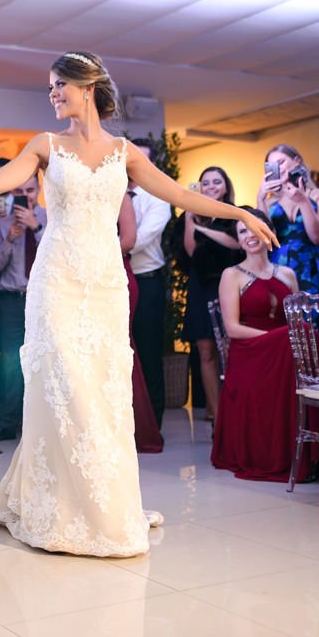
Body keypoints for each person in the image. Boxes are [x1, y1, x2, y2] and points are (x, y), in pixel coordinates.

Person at [0, 50, 277, 557]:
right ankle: (57, 505)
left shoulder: (124, 152)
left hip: (105, 287)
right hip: (57, 282)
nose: (52, 94)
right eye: (50, 87)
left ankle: (102, 504)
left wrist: (240, 214)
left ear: (85, 86)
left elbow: (180, 195)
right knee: (62, 386)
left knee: (102, 393)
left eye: (58, 85)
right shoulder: (46, 145)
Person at [211, 208, 311, 482]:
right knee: (294, 336)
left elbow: (295, 319)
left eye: (255, 228)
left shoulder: (287, 274)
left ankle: (311, 449)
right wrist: (276, 338)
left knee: (305, 336)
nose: (250, 235)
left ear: (270, 232)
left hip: (286, 349)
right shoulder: (232, 275)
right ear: (239, 239)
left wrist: (287, 338)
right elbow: (232, 328)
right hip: (250, 350)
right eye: (243, 231)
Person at [178, 166, 242, 421]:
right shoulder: (192, 216)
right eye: (206, 182)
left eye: (217, 181)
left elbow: (236, 243)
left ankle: (236, 409)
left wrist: (203, 228)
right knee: (205, 350)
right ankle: (215, 412)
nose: (211, 186)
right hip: (200, 285)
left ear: (226, 186)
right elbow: (191, 252)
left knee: (230, 348)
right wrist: (190, 220)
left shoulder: (235, 214)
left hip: (229, 283)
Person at [0, 173, 46, 442]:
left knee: (45, 362)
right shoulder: (2, 224)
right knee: (12, 362)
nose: (26, 195)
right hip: (12, 301)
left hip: (45, 300)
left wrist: (36, 227)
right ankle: (9, 421)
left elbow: (60, 256)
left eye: (30, 190)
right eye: (20, 190)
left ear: (39, 189)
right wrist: (10, 238)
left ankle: (43, 424)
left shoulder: (53, 218)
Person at [126, 138, 172, 432]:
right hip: (115, 281)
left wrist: (106, 248)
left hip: (147, 281)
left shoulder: (158, 196)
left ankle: (152, 426)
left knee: (148, 353)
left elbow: (140, 239)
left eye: (140, 159)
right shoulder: (113, 192)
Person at [256, 144, 319, 293]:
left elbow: (317, 237)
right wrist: (260, 199)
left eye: (281, 162)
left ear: (296, 160)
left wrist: (303, 201)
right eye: (273, 166)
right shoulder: (269, 202)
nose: (279, 169)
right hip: (278, 265)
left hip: (311, 266)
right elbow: (266, 241)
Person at [119, 193, 162, 454]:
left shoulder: (120, 194)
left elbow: (129, 240)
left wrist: (88, 257)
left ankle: (134, 429)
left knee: (119, 346)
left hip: (113, 272)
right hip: (75, 278)